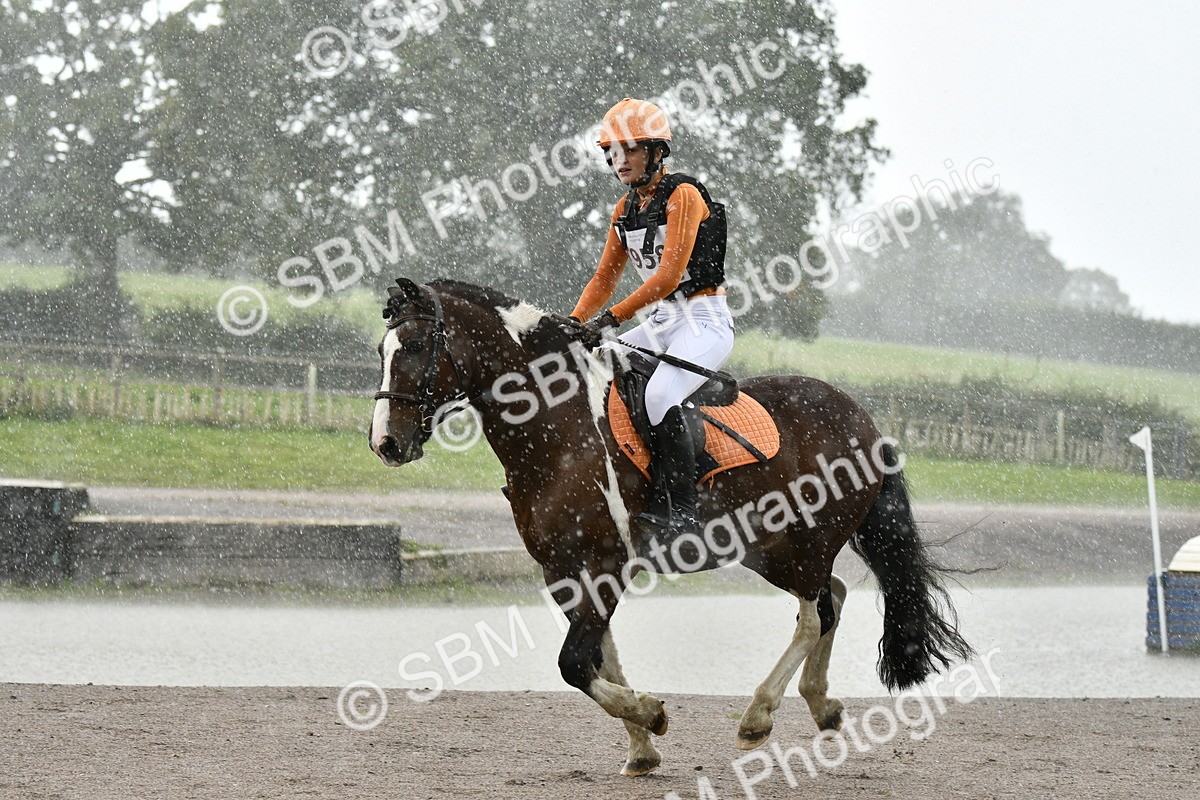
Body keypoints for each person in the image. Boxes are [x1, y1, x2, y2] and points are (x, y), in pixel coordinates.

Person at [569, 97, 734, 547]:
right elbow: (604, 277)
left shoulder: (684, 195)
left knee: (660, 393)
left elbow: (666, 277)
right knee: (596, 368)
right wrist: (574, 322)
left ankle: (683, 511)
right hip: (662, 323)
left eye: (629, 150)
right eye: (611, 151)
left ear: (657, 152)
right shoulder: (624, 211)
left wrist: (609, 319)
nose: (617, 160)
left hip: (703, 321)